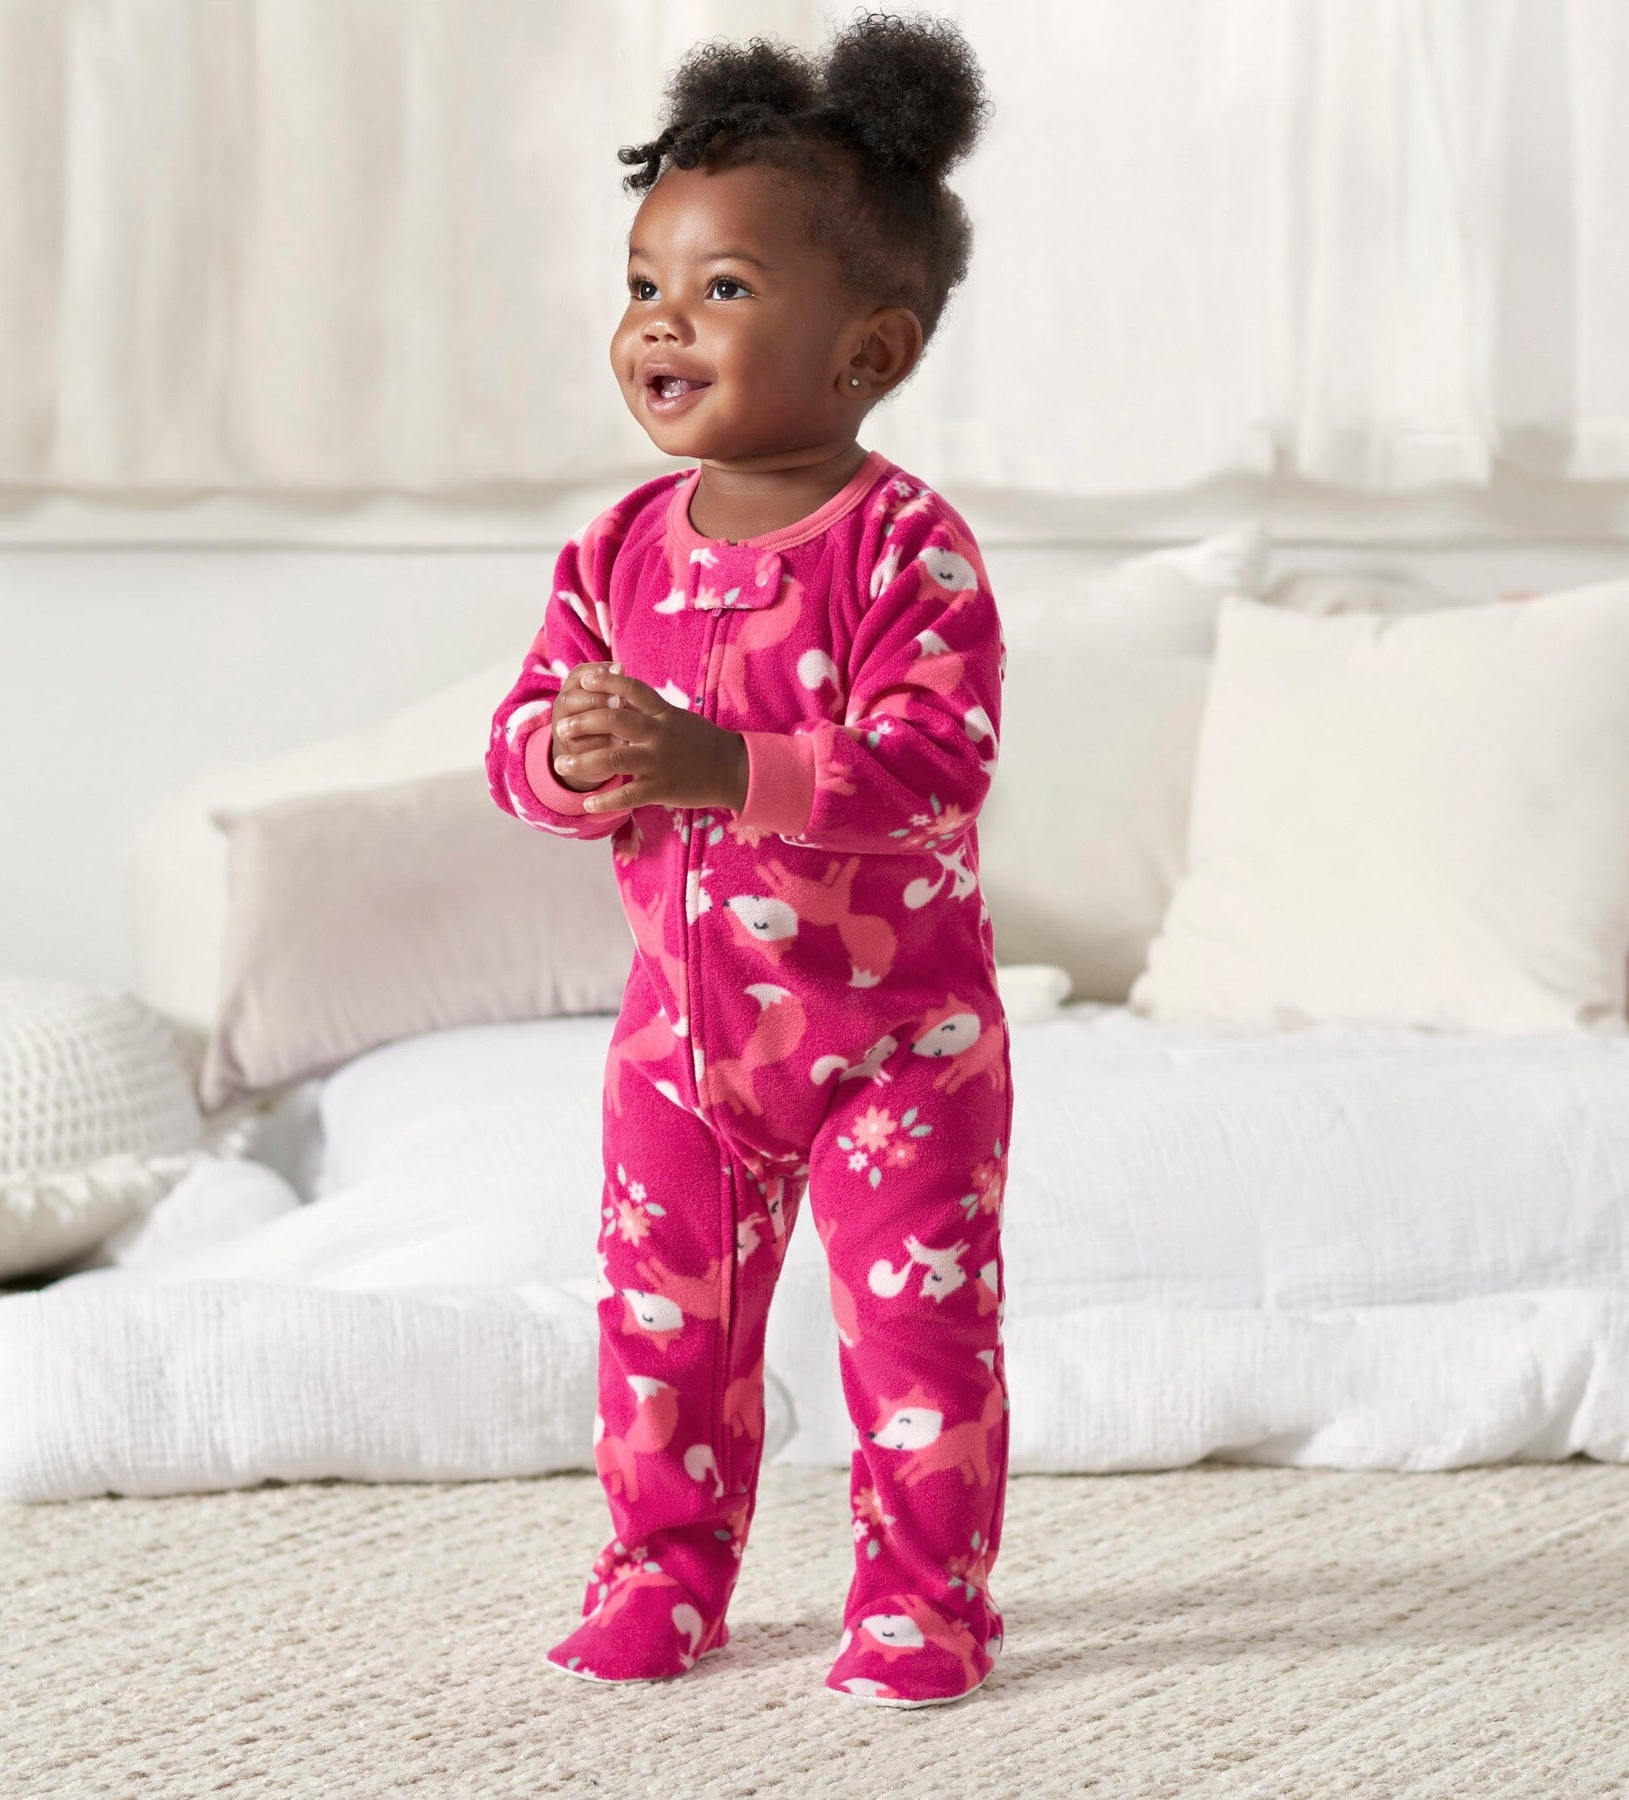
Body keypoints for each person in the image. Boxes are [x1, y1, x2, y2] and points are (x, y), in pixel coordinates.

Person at [485, 11, 1008, 1709]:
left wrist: (724, 765)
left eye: (722, 288)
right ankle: (662, 1573)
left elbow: (935, 770)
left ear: (866, 352)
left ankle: (923, 1603)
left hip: (894, 1051)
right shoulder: (616, 548)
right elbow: (522, 742)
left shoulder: (906, 547)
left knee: (916, 1345)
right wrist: (570, 762)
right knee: (662, 1339)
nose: (662, 321)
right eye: (645, 283)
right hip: (681, 1049)